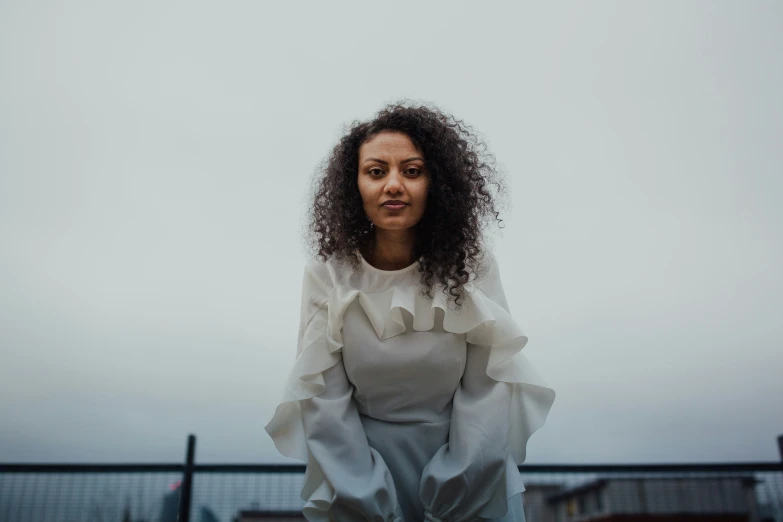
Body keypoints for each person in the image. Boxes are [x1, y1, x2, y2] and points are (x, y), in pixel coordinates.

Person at [265, 101, 556, 522]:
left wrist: (456, 491)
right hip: (359, 479)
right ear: (355, 186)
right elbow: (324, 403)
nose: (395, 185)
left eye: (413, 171)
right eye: (376, 171)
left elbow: (489, 391)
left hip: (469, 478)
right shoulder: (327, 275)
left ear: (436, 185)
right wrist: (368, 500)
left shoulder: (473, 267)